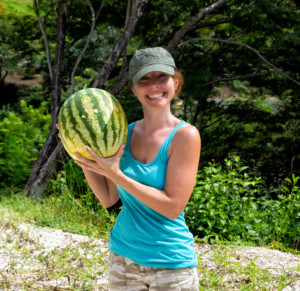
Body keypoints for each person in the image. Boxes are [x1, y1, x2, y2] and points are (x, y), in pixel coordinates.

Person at [73, 47, 201, 290]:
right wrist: (81, 150)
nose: (154, 85)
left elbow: (173, 207)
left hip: (170, 264)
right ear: (133, 88)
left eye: (161, 77)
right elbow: (109, 198)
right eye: (144, 79)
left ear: (175, 82)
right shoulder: (123, 133)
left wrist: (116, 174)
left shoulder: (185, 136)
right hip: (122, 259)